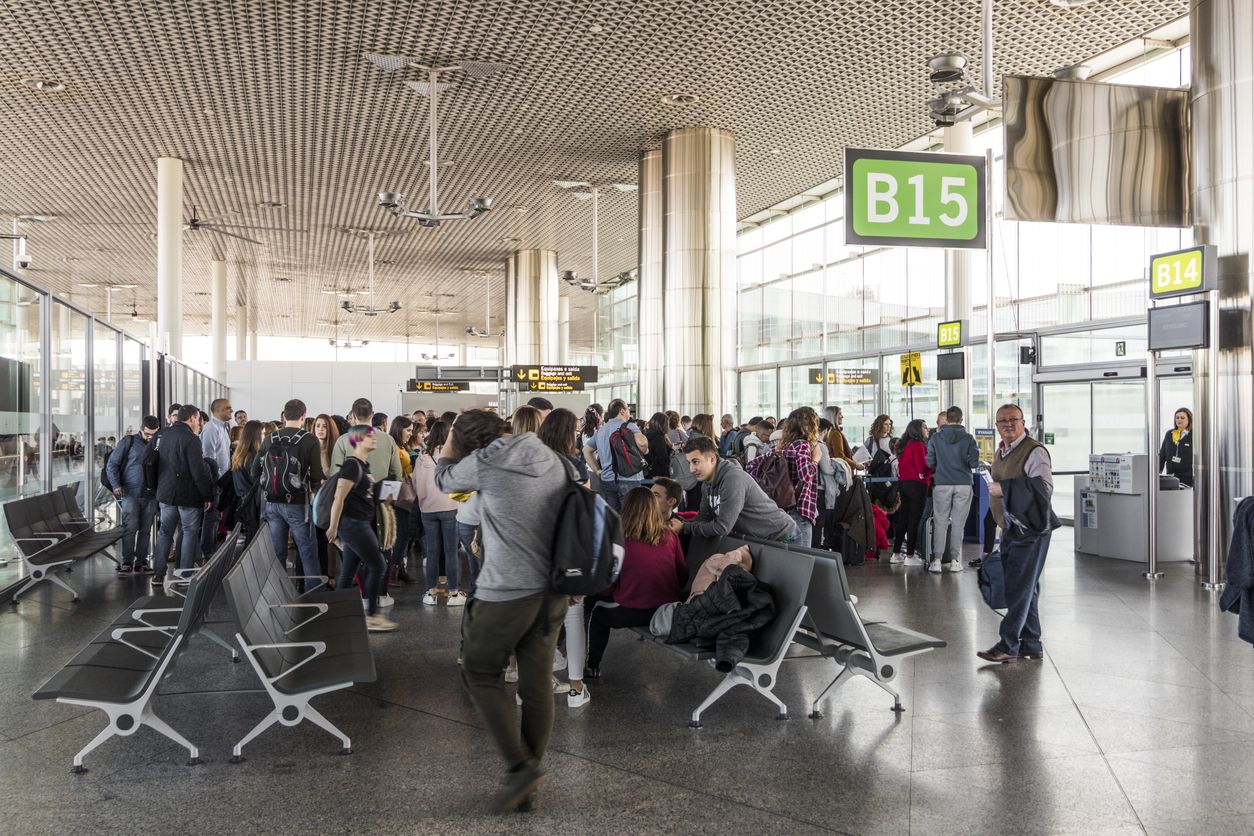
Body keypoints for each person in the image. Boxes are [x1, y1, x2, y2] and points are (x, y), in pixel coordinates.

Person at [433, 409, 573, 813]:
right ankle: (525, 779)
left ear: (470, 442)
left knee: (478, 670)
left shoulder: (488, 460)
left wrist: (449, 446)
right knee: (536, 684)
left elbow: (443, 480)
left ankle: (519, 767)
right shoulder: (549, 456)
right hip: (553, 590)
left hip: (509, 590)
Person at [978, 404, 1056, 664]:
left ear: (1023, 422)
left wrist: (1005, 488)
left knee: (1018, 588)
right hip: (1012, 527)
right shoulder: (1002, 452)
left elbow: (1043, 488)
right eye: (1002, 421)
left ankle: (1008, 643)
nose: (1008, 424)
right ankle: (1031, 643)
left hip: (1031, 529)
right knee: (1027, 586)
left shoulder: (1035, 451)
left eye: (1013, 420)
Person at [584, 486, 687, 679]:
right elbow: (683, 574)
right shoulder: (669, 535)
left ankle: (591, 666)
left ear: (626, 507)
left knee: (596, 611)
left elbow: (608, 585)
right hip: (665, 611)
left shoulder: (620, 538)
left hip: (629, 612)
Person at [537, 407, 591, 707]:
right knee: (572, 618)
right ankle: (575, 689)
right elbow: (585, 515)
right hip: (567, 551)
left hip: (532, 552)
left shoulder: (530, 463)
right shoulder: (574, 467)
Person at [327, 425, 396, 633]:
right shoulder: (352, 465)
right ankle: (373, 616)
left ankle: (337, 613)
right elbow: (339, 497)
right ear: (356, 439)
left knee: (348, 572)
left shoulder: (363, 466)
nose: (374, 438)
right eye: (369, 436)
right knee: (378, 566)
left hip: (359, 523)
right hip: (354, 524)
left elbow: (361, 495)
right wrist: (333, 526)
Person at [671, 436, 797, 542]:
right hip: (762, 538)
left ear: (712, 459)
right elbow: (704, 517)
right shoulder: (707, 483)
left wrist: (684, 528)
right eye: (689, 463)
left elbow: (722, 527)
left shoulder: (733, 479)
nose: (691, 469)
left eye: (695, 462)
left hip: (783, 535)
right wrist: (679, 523)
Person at [259, 399, 325, 592]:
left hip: (271, 502)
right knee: (306, 550)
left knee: (278, 551)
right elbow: (317, 476)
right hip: (297, 503)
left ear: (284, 416)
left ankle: (277, 591)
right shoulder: (309, 439)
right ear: (303, 417)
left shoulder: (270, 438)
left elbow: (256, 470)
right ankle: (315, 592)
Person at [147, 404, 213, 586]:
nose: (199, 423)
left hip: (165, 493)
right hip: (188, 495)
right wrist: (208, 495)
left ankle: (158, 575)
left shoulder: (161, 435)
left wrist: (155, 487)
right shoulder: (191, 439)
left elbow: (148, 460)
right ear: (192, 418)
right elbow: (198, 472)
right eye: (198, 419)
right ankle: (184, 575)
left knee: (165, 532)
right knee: (189, 531)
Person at [747, 407, 821, 545]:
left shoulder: (781, 446)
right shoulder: (802, 446)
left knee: (788, 554)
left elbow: (751, 466)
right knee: (801, 556)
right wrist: (816, 459)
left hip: (779, 509)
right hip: (800, 508)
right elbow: (805, 476)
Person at [413, 420, 465, 606]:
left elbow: (415, 482)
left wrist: (422, 501)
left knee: (432, 551)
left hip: (427, 509)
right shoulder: (453, 456)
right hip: (450, 507)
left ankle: (431, 593)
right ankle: (453, 593)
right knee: (451, 551)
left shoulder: (422, 456)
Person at [927, 406, 979, 573]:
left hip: (942, 483)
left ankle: (936, 560)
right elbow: (974, 463)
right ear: (961, 419)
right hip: (963, 483)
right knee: (958, 524)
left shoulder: (936, 438)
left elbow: (929, 462)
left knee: (940, 522)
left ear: (947, 419)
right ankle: (955, 560)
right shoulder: (969, 438)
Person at [107, 416, 160, 575]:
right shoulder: (128, 442)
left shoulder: (158, 443)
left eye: (154, 434)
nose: (150, 437)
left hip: (151, 494)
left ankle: (141, 562)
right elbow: (112, 464)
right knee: (130, 529)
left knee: (145, 530)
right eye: (147, 434)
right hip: (130, 493)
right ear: (141, 429)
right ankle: (127, 562)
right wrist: (116, 485)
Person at [582, 398, 649, 511]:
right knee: (630, 517)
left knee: (613, 517)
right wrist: (645, 450)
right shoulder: (629, 426)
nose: (629, 412)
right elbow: (642, 443)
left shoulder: (601, 431)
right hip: (630, 479)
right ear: (622, 411)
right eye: (628, 409)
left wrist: (597, 470)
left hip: (607, 480)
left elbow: (586, 450)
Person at [891, 419, 931, 566]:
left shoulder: (904, 445)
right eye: (925, 427)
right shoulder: (918, 445)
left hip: (904, 484)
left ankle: (896, 553)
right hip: (917, 485)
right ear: (917, 430)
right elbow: (922, 468)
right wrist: (933, 469)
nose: (928, 429)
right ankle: (910, 555)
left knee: (903, 519)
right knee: (914, 520)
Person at [200, 397, 233, 556]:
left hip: (223, 480)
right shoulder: (211, 429)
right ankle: (208, 552)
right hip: (215, 481)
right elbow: (208, 458)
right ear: (218, 410)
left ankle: (211, 549)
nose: (231, 411)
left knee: (216, 518)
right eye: (228, 408)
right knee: (211, 518)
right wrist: (217, 479)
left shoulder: (224, 427)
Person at [388, 416, 416, 585]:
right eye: (408, 430)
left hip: (401, 493)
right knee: (401, 533)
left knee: (404, 533)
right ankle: (394, 569)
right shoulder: (393, 446)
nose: (410, 434)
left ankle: (399, 568)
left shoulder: (401, 446)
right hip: (396, 494)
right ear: (399, 429)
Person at [229, 420, 264, 540]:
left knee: (252, 535)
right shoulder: (253, 457)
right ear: (256, 436)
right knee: (255, 538)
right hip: (253, 503)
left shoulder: (239, 455)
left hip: (245, 500)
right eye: (263, 434)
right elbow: (258, 482)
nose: (265, 437)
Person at [1158, 407, 1193, 487]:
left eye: (1182, 418)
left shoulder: (1193, 436)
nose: (1179, 420)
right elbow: (1163, 454)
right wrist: (1158, 472)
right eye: (1177, 417)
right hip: (1171, 476)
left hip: (1187, 478)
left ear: (1189, 420)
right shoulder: (1170, 434)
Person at [642, 412, 671, 479]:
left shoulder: (644, 433)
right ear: (664, 424)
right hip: (658, 474)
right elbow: (663, 460)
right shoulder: (659, 437)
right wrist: (671, 449)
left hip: (647, 471)